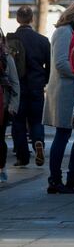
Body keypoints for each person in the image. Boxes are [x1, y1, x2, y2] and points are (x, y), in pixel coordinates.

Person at [43, 0, 74, 194]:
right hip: (64, 93)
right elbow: (62, 64)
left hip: (72, 92)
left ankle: (73, 176)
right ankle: (55, 179)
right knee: (62, 136)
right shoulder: (63, 32)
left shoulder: (71, 31)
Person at [11, 5, 50, 167]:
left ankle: (22, 156)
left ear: (17, 19)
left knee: (18, 122)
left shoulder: (10, 40)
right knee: (36, 120)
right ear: (32, 19)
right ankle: (38, 142)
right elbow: (49, 64)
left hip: (17, 88)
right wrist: (44, 80)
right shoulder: (42, 40)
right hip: (36, 85)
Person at [0, 29, 21, 183]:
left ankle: (1, 168)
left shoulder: (7, 59)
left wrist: (13, 105)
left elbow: (15, 83)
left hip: (3, 105)